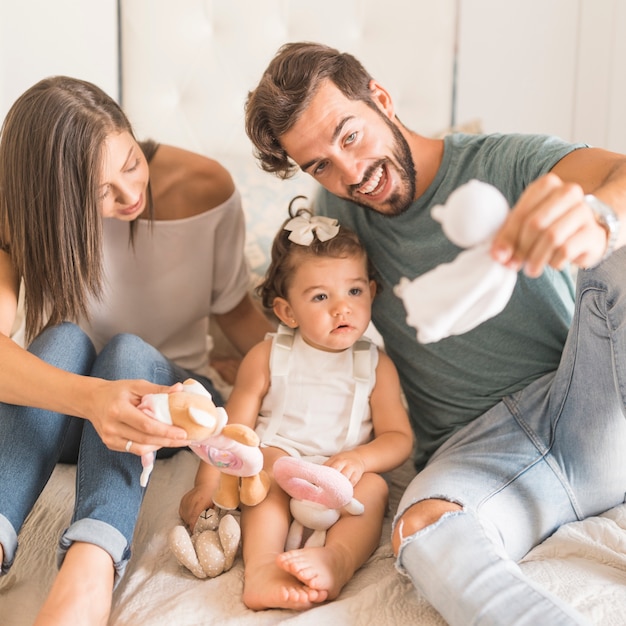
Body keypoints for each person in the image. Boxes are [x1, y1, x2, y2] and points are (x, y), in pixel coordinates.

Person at [244, 42, 626, 625]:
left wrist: (599, 217)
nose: (350, 174)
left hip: (587, 404)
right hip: (480, 455)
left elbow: (618, 174)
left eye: (348, 136)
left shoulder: (505, 163)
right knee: (419, 530)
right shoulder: (336, 215)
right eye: (319, 163)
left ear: (381, 99)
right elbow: (296, 315)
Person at [0, 75, 274, 626]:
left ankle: (90, 567)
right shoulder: (17, 215)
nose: (129, 194)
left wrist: (286, 374)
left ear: (130, 130)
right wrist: (96, 398)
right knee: (62, 341)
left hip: (171, 410)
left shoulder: (204, 186)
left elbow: (237, 312)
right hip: (73, 412)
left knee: (126, 350)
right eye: (98, 191)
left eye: (129, 162)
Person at [180, 204, 413, 610]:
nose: (343, 307)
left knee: (375, 488)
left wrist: (360, 458)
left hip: (341, 470)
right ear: (287, 311)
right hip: (281, 457)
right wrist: (206, 485)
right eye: (321, 296)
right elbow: (232, 431)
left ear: (371, 292)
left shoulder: (377, 365)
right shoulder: (267, 356)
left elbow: (398, 438)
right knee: (263, 474)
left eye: (354, 291)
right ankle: (264, 568)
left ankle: (337, 559)